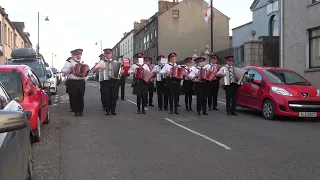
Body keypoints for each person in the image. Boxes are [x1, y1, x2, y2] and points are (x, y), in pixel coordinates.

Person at [92, 48, 121, 115]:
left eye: (109, 53)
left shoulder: (115, 62)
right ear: (104, 54)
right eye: (106, 53)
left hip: (113, 81)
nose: (108, 54)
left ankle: (113, 110)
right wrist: (99, 68)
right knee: (107, 96)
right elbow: (94, 70)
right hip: (105, 81)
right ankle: (108, 110)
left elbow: (119, 71)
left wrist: (120, 71)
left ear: (111, 54)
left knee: (114, 96)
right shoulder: (102, 62)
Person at [61, 49, 86, 116]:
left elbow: (85, 72)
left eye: (80, 54)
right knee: (74, 97)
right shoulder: (69, 62)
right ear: (73, 55)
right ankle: (76, 111)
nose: (79, 56)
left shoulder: (82, 62)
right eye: (77, 54)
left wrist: (87, 71)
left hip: (81, 81)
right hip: (73, 82)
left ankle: (81, 111)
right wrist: (70, 69)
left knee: (81, 96)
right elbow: (63, 72)